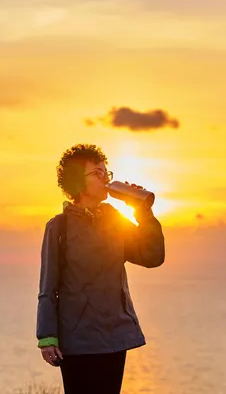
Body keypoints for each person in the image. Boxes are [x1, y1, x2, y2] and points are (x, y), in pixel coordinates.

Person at [36, 143, 165, 394]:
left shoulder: (115, 219)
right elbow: (48, 287)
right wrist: (47, 337)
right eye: (97, 173)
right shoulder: (59, 227)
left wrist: (144, 213)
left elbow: (152, 257)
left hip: (115, 335)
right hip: (78, 338)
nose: (105, 178)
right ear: (77, 181)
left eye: (106, 172)